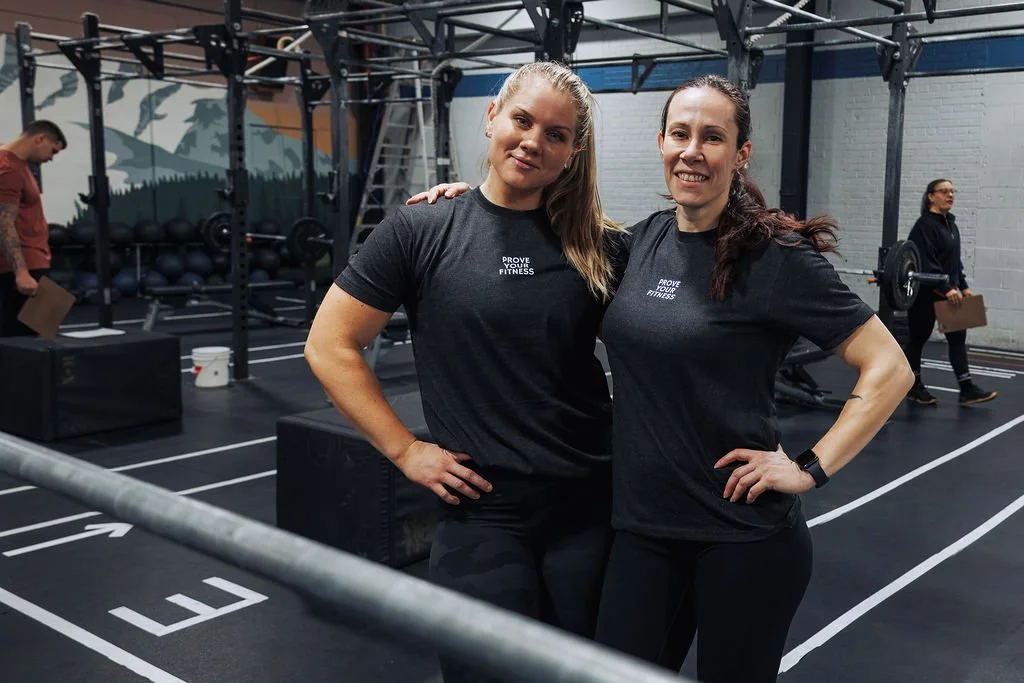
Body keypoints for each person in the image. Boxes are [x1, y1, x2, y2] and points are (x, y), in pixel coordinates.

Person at [413, 72, 914, 681]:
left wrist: (809, 467)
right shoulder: (640, 244)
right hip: (641, 535)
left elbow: (889, 367)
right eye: (680, 133)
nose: (692, 151)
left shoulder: (774, 257)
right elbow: (540, 249)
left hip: (740, 536)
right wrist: (474, 207)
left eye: (712, 137)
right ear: (661, 142)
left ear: (740, 153)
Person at [304, 61, 624, 683]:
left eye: (555, 134)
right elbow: (329, 345)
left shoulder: (600, 246)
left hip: (590, 508)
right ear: (492, 118)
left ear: (572, 151)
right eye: (522, 120)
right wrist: (404, 451)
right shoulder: (422, 229)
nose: (533, 141)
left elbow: (674, 333)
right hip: (484, 514)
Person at [903, 179, 997, 406]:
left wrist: (962, 285)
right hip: (926, 293)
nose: (950, 195)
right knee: (918, 339)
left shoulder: (950, 224)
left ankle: (967, 390)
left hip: (951, 292)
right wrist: (947, 288)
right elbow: (925, 262)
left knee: (957, 339)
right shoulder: (924, 226)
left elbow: (954, 262)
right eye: (944, 191)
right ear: (930, 196)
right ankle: (913, 386)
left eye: (952, 191)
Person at [0, 120, 67, 337]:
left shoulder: (17, 163)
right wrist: (21, 272)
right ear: (39, 139)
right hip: (23, 266)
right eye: (52, 151)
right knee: (25, 342)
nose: (51, 158)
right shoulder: (8, 168)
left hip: (34, 260)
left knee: (42, 331)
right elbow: (4, 222)